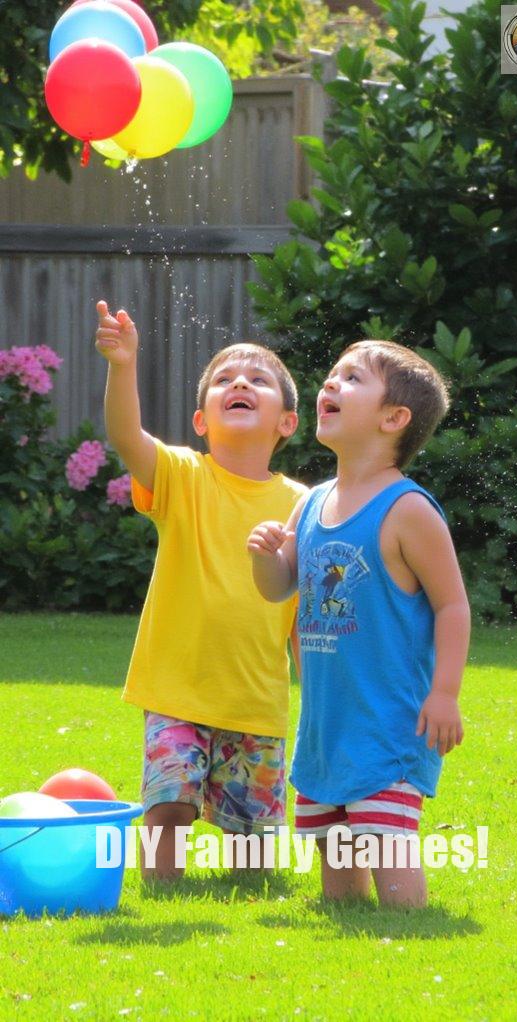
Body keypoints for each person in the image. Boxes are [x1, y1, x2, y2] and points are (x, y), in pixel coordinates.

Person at [248, 339, 470, 908]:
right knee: (337, 885)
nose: (329, 385)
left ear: (394, 418)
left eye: (351, 379)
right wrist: (264, 557)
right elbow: (280, 588)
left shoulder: (408, 510)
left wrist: (444, 695)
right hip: (327, 729)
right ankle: (356, 953)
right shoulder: (313, 502)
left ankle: (410, 934)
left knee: (389, 858)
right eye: (331, 375)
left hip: (387, 726)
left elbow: (452, 605)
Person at [95, 300, 307, 880]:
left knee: (254, 848)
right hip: (177, 689)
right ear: (201, 421)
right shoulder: (182, 476)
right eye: (224, 380)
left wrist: (317, 696)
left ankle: (250, 887)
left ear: (286, 422)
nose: (239, 381)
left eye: (258, 380)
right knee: (168, 807)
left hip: (257, 701)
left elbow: (302, 617)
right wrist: (123, 363)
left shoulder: (305, 507)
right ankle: (162, 889)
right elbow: (124, 433)